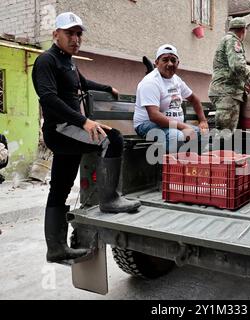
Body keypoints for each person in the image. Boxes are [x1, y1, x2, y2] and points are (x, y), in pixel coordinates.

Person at [32, 12, 141, 263]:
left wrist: (106, 88)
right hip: (60, 129)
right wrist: (84, 121)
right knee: (112, 139)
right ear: (55, 34)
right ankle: (109, 199)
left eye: (78, 34)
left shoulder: (69, 62)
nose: (75, 38)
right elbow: (49, 98)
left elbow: (82, 83)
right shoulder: (46, 61)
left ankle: (56, 248)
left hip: (68, 129)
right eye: (69, 33)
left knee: (59, 189)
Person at [134, 44, 209, 153]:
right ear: (156, 62)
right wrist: (183, 127)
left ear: (178, 63)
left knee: (202, 133)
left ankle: (193, 166)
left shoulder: (176, 80)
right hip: (146, 124)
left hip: (173, 126)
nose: (170, 63)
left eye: (173, 60)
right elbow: (154, 116)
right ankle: (169, 168)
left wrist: (203, 121)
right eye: (165, 60)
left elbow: (194, 99)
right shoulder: (150, 82)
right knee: (176, 136)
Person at [208, 17, 250, 132]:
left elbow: (231, 69)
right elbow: (237, 66)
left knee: (224, 133)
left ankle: (222, 150)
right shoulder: (233, 40)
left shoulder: (226, 40)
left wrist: (242, 84)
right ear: (243, 30)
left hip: (224, 91)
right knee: (225, 134)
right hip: (227, 92)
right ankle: (219, 151)